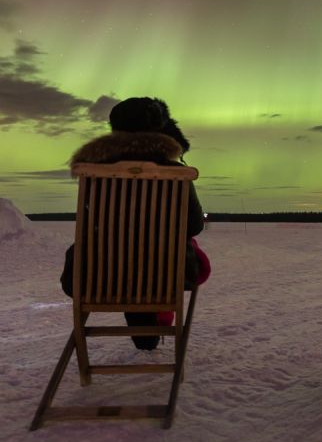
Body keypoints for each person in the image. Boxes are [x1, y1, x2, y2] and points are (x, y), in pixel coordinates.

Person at [60, 97, 210, 350]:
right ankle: (157, 319)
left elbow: (89, 227)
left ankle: (146, 330)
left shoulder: (95, 172)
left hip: (102, 274)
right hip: (165, 273)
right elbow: (194, 226)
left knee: (122, 254)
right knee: (173, 255)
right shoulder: (174, 172)